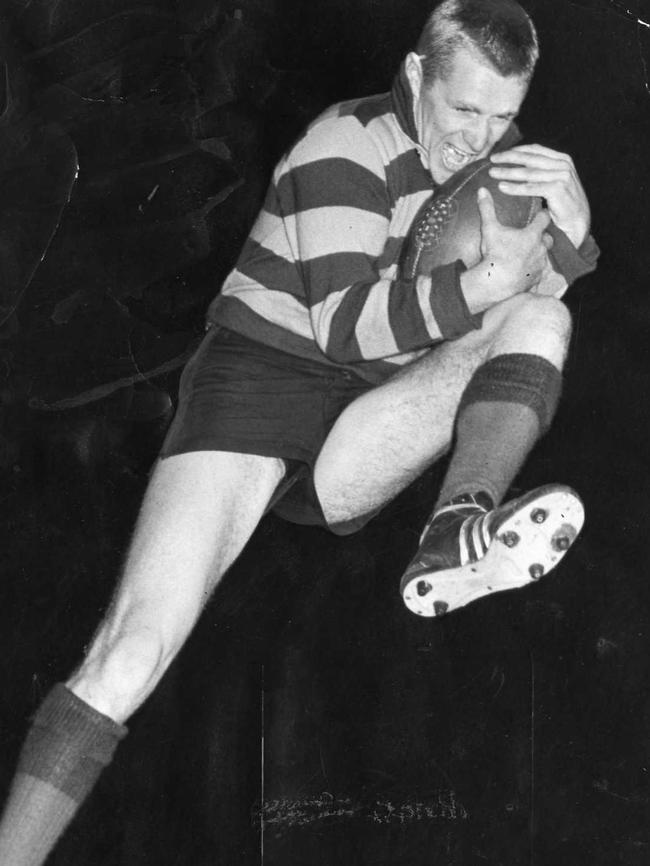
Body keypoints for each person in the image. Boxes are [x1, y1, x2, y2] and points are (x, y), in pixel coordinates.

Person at [0, 0, 599, 862]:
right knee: (131, 652)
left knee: (543, 323)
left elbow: (530, 294)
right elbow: (345, 326)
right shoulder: (344, 143)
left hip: (365, 416)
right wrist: (478, 290)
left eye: (504, 116)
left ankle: (454, 530)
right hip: (261, 381)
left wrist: (573, 237)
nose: (481, 139)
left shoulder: (501, 171)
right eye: (465, 110)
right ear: (420, 74)